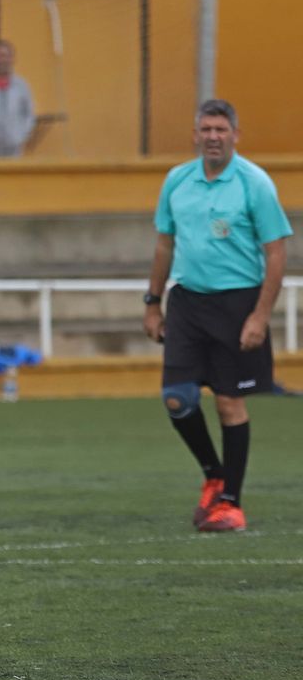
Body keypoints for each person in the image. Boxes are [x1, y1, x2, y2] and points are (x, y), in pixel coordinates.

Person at [143, 100, 292, 533]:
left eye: (221, 129)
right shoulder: (177, 180)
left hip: (238, 303)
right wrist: (152, 302)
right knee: (177, 398)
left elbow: (277, 252)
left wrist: (261, 316)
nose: (213, 136)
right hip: (187, 302)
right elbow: (164, 245)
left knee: (229, 403)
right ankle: (214, 475)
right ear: (195, 135)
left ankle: (232, 504)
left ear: (235, 136)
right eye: (206, 129)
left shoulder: (254, 183)